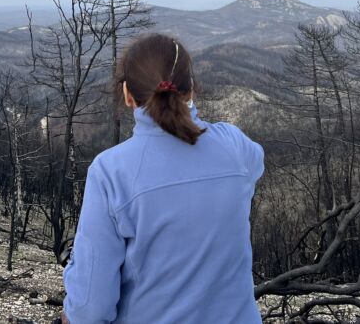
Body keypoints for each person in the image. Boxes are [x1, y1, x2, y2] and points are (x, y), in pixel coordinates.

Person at [62, 33, 264, 324]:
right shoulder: (234, 146)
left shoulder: (110, 172)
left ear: (128, 94)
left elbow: (90, 311)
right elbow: (255, 164)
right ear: (190, 88)